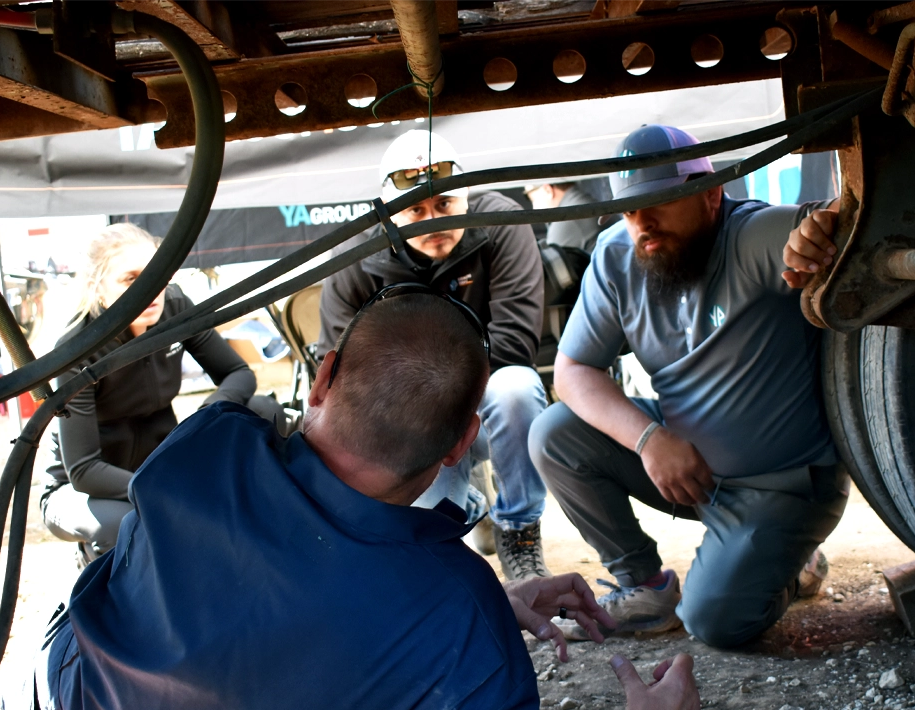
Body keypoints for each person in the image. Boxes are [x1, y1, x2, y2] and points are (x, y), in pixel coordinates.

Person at [4, 286, 702, 710]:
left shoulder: (208, 445)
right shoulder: (460, 615)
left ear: (323, 375)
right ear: (463, 442)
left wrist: (482, 608)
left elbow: (222, 596)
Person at [528, 124, 850, 650]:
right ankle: (645, 588)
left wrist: (823, 230)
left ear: (709, 193)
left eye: (659, 202)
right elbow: (572, 372)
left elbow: (842, 221)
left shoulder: (752, 235)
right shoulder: (617, 256)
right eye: (630, 210)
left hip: (782, 488)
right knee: (554, 433)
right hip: (689, 470)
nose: (642, 223)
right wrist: (649, 440)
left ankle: (789, 566)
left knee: (714, 622)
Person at [319, 129, 553, 581]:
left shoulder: (502, 223)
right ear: (389, 215)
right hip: (407, 418)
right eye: (416, 211)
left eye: (445, 205)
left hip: (488, 398)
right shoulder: (355, 254)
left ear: (466, 197)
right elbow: (340, 374)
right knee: (436, 524)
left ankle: (520, 531)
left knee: (517, 388)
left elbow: (518, 340)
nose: (433, 222)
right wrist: (422, 409)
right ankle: (452, 527)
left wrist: (440, 393)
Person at [39, 223, 282, 563]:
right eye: (130, 279)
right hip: (85, 488)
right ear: (98, 287)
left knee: (259, 411)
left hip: (157, 461)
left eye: (158, 276)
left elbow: (238, 373)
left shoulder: (175, 307)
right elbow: (83, 470)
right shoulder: (77, 349)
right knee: (130, 524)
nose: (151, 290)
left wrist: (208, 414)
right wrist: (163, 486)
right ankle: (100, 574)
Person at [524, 180, 612, 253]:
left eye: (532, 199)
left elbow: (554, 268)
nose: (534, 207)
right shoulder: (581, 202)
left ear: (548, 190)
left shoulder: (567, 219)